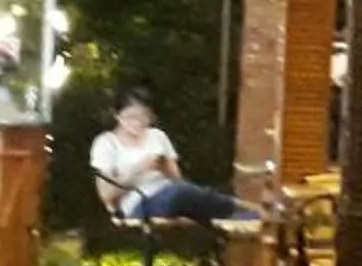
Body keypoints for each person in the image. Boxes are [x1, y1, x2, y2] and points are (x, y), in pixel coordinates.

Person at [88, 89, 255, 229]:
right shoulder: (106, 143)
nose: (139, 122)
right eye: (132, 117)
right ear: (117, 115)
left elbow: (177, 179)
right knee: (183, 195)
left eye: (145, 117)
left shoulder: (157, 136)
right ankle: (244, 212)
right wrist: (138, 169)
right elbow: (106, 195)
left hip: (171, 192)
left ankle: (247, 215)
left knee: (190, 194)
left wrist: (163, 167)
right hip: (138, 203)